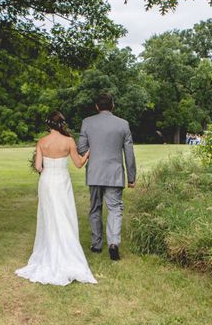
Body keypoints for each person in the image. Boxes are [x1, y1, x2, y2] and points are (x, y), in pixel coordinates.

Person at [15, 111, 96, 286]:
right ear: (61, 123)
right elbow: (79, 164)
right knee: (64, 215)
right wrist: (88, 153)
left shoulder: (42, 142)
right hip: (61, 182)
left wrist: (47, 166)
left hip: (46, 182)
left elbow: (38, 167)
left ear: (48, 124)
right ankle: (68, 253)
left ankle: (50, 251)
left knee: (49, 216)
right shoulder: (68, 141)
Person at [77, 93, 136, 261]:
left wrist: (94, 156)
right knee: (115, 209)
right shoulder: (123, 124)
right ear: (113, 105)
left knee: (95, 207)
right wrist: (131, 177)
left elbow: (81, 148)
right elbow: (129, 154)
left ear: (97, 106)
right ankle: (113, 244)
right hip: (114, 174)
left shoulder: (87, 122)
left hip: (94, 172)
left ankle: (96, 244)